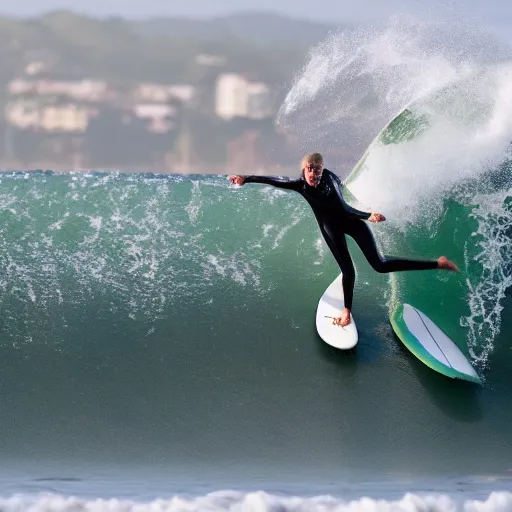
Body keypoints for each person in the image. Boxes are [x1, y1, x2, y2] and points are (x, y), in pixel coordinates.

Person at [228, 152, 459, 327]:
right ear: (304, 169)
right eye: (310, 169)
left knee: (380, 265)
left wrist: (367, 216)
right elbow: (274, 180)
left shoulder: (329, 181)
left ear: (322, 169)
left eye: (317, 170)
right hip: (332, 229)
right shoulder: (299, 185)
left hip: (351, 221)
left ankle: (437, 263)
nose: (313, 174)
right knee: (349, 272)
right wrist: (245, 178)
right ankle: (346, 310)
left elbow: (345, 208)